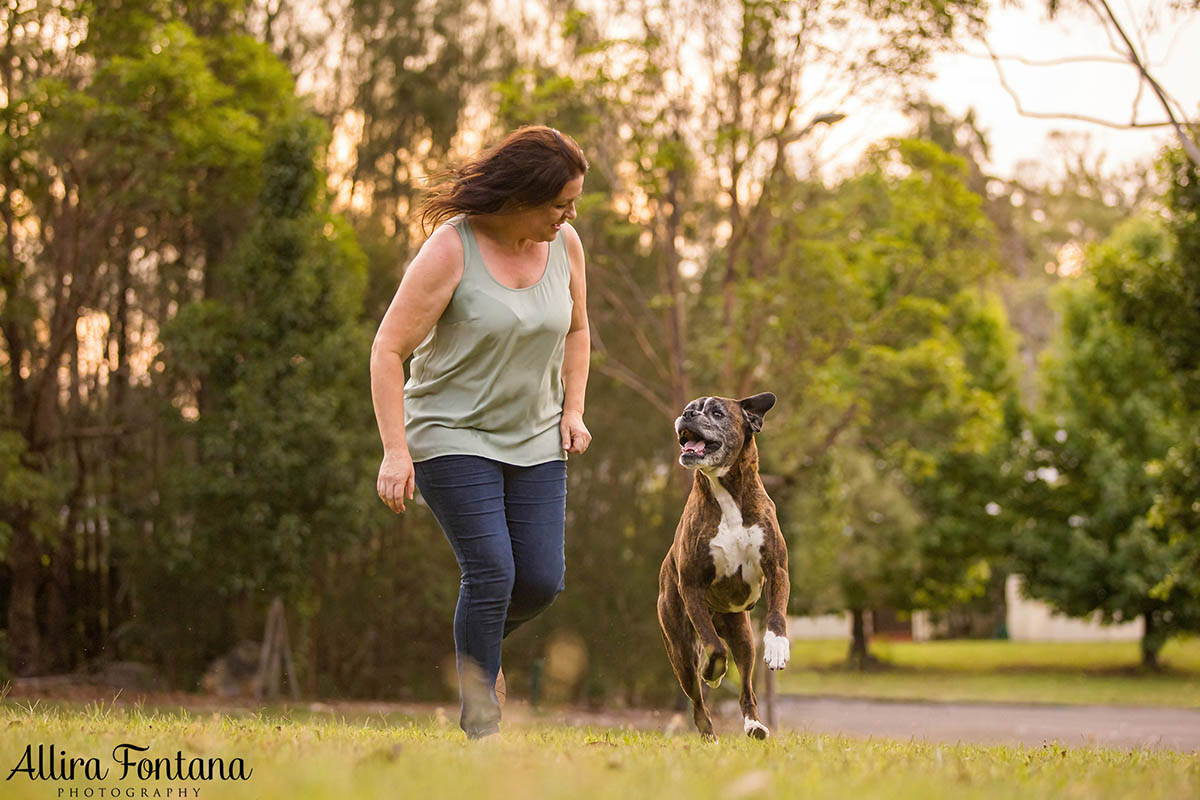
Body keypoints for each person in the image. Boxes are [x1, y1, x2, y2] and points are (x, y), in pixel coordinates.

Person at [369, 125, 592, 739]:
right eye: (559, 203)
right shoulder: (452, 249)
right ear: (521, 195)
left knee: (541, 581)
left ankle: (479, 658)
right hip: (451, 431)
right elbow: (388, 348)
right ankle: (482, 729)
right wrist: (395, 451)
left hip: (536, 434)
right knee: (492, 571)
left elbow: (576, 330)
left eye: (572, 203)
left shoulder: (566, 245)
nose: (568, 214)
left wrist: (572, 410)